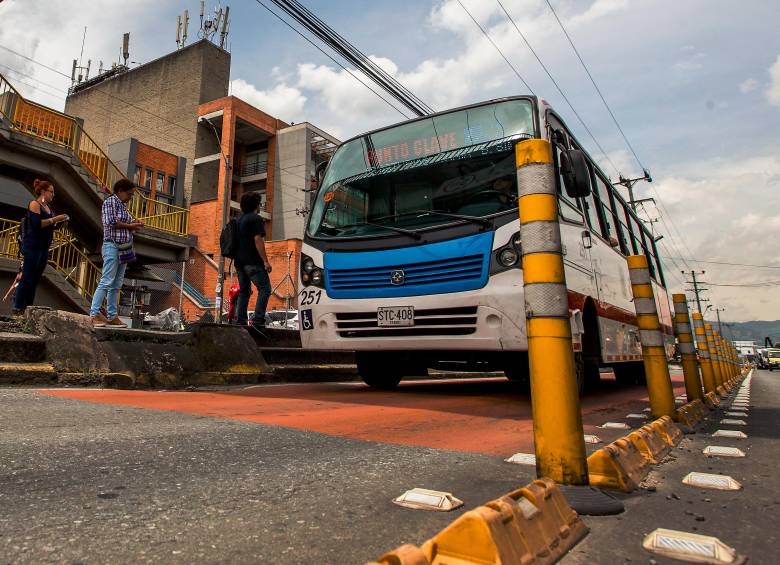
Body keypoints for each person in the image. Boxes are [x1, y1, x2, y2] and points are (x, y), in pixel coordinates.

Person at [89, 179, 143, 327]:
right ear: (120, 191)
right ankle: (93, 314)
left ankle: (112, 316)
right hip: (112, 245)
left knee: (116, 284)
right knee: (107, 280)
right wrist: (132, 226)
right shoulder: (110, 202)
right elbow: (112, 222)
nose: (130, 198)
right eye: (129, 194)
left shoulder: (122, 205)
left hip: (123, 247)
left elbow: (123, 223)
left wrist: (134, 224)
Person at [13, 179, 68, 315]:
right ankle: (18, 307)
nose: (53, 194)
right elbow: (37, 224)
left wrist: (60, 222)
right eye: (51, 192)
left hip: (44, 247)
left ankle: (28, 307)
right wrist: (55, 219)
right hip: (32, 246)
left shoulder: (48, 208)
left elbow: (49, 226)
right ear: (43, 191)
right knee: (27, 277)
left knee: (35, 278)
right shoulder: (35, 204)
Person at [234, 191, 272, 327]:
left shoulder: (238, 221)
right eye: (259, 203)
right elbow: (258, 239)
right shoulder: (256, 219)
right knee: (265, 289)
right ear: (256, 205)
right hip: (253, 262)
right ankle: (258, 321)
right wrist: (265, 261)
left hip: (239, 263)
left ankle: (241, 322)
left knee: (244, 292)